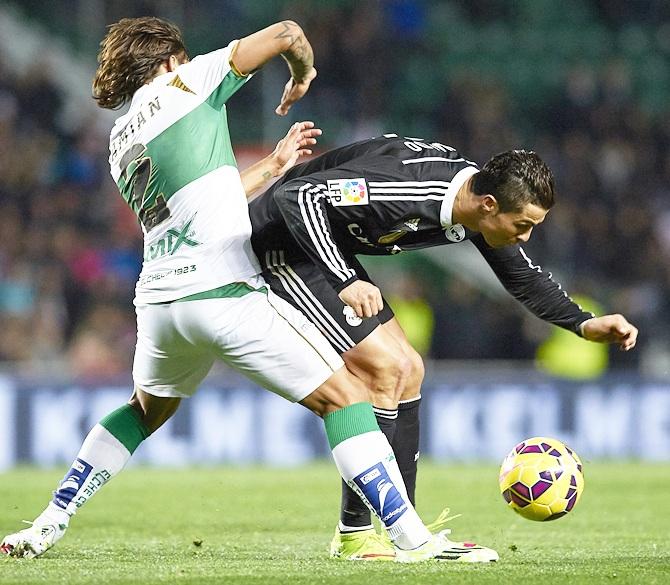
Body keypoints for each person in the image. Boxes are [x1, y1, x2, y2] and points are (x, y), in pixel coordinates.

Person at [0, 18, 497, 564]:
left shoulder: (121, 136)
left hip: (161, 304)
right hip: (223, 295)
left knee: (141, 411)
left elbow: (204, 204)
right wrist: (301, 74)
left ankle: (49, 522)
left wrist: (276, 166)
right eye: (183, 59)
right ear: (169, 60)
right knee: (348, 398)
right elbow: (287, 31)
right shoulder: (190, 83)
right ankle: (413, 541)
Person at [247, 133, 639, 560]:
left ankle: (400, 526)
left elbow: (522, 276)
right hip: (278, 244)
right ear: (489, 205)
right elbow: (296, 194)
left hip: (320, 251)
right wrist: (346, 278)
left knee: (409, 369)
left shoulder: (473, 206)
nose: (525, 237)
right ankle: (366, 535)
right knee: (389, 367)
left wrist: (583, 323)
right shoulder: (414, 190)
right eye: (523, 225)